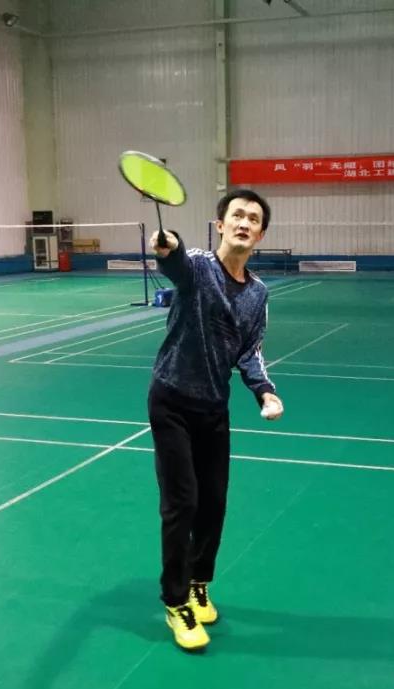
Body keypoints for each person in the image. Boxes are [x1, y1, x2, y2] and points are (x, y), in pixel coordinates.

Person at [148, 188, 284, 651]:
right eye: (237, 215)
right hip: (171, 400)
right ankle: (175, 601)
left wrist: (264, 390)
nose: (245, 223)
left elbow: (250, 350)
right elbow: (176, 265)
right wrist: (169, 247)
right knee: (181, 503)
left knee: (214, 504)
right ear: (220, 224)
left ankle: (198, 582)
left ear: (260, 234)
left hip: (213, 408)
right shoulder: (199, 267)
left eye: (254, 219)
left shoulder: (258, 294)